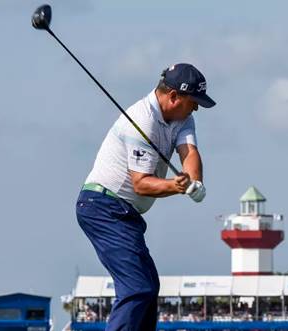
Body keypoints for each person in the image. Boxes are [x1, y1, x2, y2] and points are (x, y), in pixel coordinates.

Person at [76, 63, 216, 331]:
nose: (196, 108)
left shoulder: (182, 117)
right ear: (174, 96)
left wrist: (194, 182)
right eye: (193, 102)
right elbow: (141, 185)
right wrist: (177, 186)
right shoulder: (143, 120)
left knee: (149, 287)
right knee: (136, 288)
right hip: (102, 206)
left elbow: (189, 153)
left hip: (123, 212)